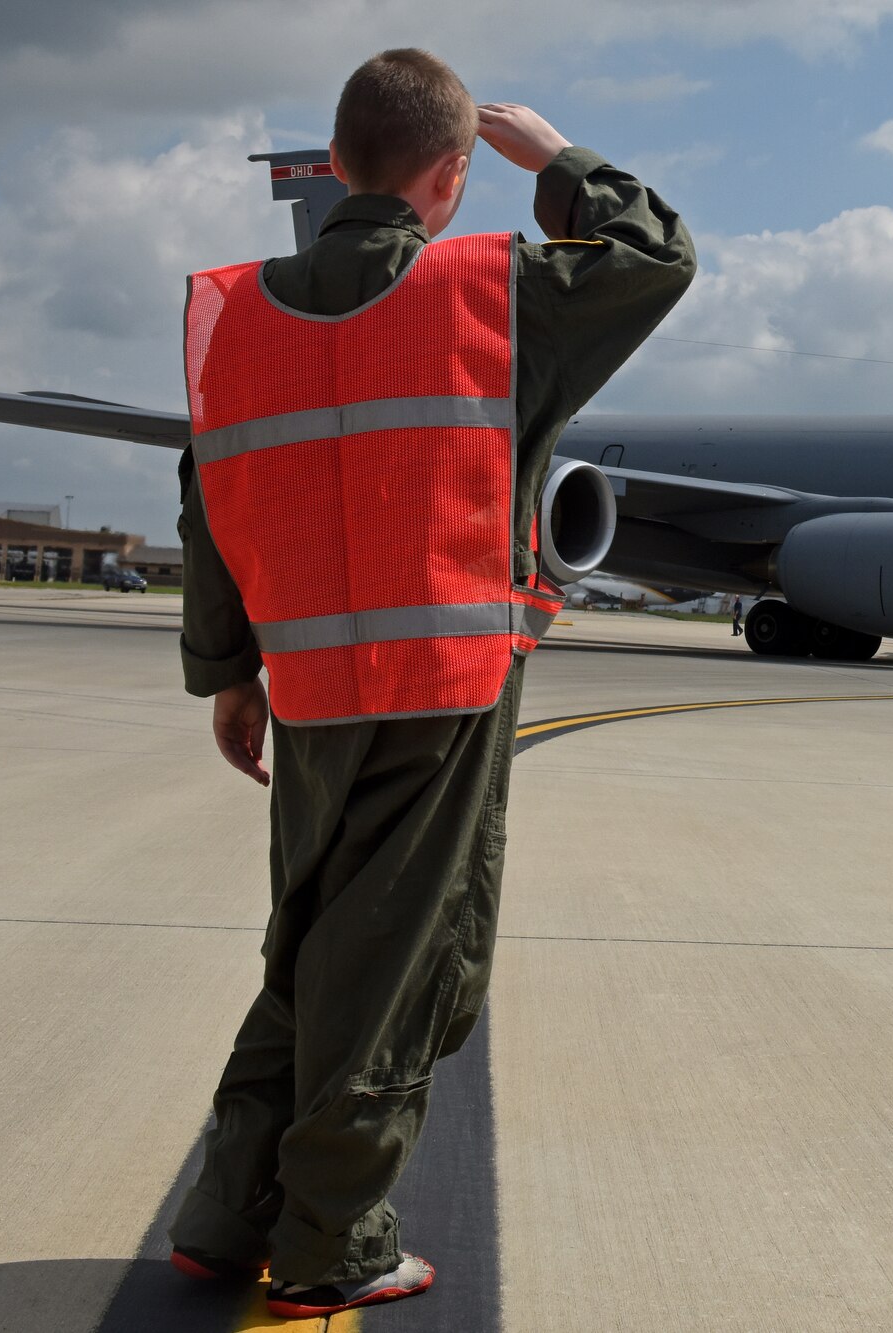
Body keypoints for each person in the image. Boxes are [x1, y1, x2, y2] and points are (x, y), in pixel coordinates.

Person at [166, 49, 693, 1319]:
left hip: (308, 690)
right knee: (398, 960)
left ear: (335, 164)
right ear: (451, 172)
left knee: (307, 947)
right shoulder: (493, 293)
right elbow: (657, 257)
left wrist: (225, 675)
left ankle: (228, 1213)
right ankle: (333, 1239)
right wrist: (554, 158)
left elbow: (208, 503)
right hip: (443, 683)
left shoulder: (235, 309)